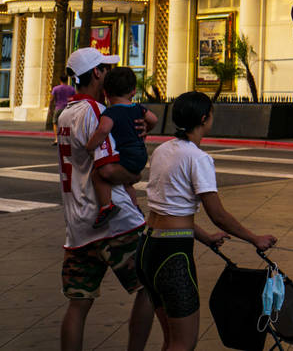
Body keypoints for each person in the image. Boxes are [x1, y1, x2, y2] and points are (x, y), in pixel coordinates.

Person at [138, 91, 276, 351]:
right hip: (173, 257)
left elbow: (171, 210)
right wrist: (254, 238)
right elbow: (218, 215)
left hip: (148, 249)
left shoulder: (163, 150)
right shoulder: (198, 158)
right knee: (184, 342)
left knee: (170, 339)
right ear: (204, 118)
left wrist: (207, 237)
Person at [56, 46, 154, 351]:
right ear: (96, 73)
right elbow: (109, 170)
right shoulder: (97, 113)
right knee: (149, 286)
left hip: (79, 226)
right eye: (106, 69)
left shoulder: (65, 114)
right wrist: (135, 176)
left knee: (79, 304)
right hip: (115, 223)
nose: (109, 74)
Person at [87, 67, 158, 227]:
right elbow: (153, 119)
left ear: (105, 92)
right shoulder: (138, 109)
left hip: (124, 156)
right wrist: (147, 130)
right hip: (140, 155)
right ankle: (135, 207)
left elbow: (104, 129)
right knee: (127, 184)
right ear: (133, 91)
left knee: (97, 175)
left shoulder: (111, 113)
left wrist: (90, 145)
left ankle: (106, 206)